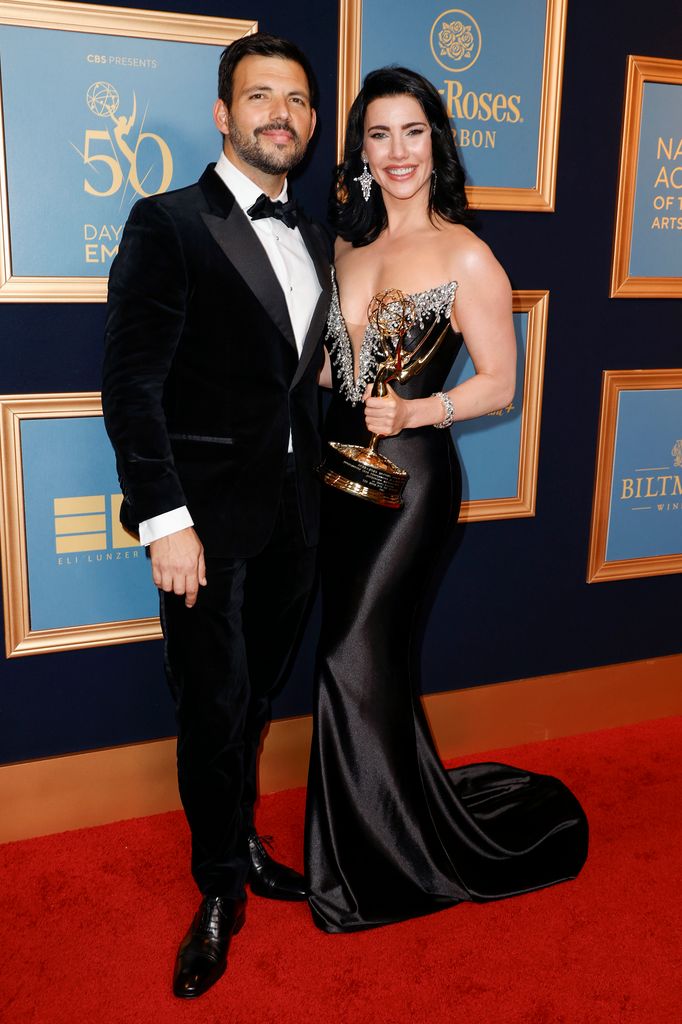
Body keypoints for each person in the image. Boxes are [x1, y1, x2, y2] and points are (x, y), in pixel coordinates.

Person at [305, 67, 588, 932]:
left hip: (412, 482)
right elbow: (334, 372)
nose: (397, 151)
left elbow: (501, 383)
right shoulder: (344, 252)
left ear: (437, 144)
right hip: (335, 479)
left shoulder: (467, 254)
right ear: (360, 152)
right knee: (365, 659)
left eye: (413, 132)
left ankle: (385, 863)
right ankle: (393, 827)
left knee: (351, 654)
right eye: (379, 134)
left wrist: (420, 409)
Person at [102, 34, 331, 996]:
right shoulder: (167, 222)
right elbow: (131, 384)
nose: (281, 113)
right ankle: (218, 889)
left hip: (296, 517)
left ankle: (238, 837)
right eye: (261, 96)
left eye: (298, 100)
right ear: (223, 114)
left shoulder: (314, 232)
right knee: (212, 706)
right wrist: (165, 520)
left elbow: (299, 377)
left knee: (257, 696)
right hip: (203, 526)